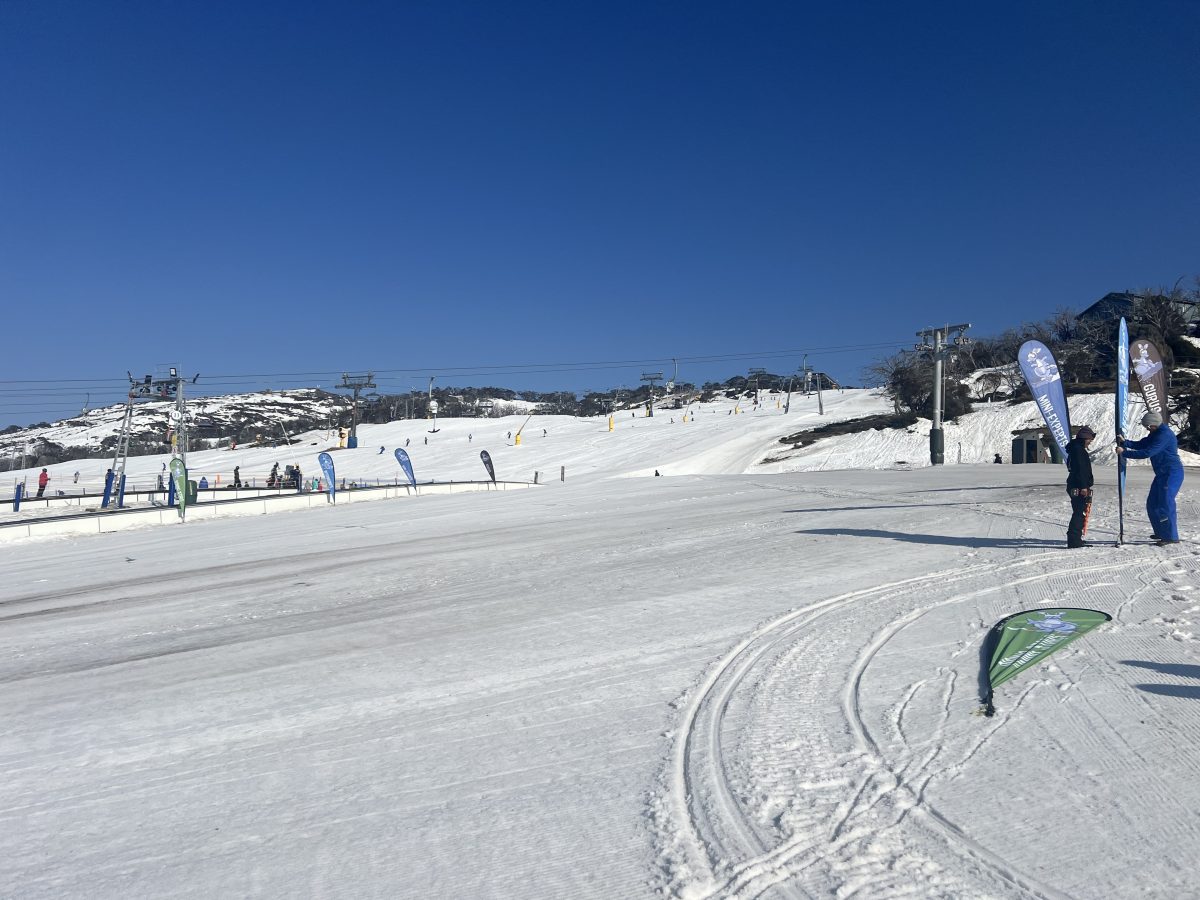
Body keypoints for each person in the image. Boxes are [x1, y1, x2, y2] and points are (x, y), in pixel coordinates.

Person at [1118, 411, 1185, 544]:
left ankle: (1171, 536)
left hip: (1172, 473)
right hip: (1161, 474)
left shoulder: (1164, 435)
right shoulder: (1155, 433)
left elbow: (1148, 452)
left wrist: (1125, 453)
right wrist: (1126, 443)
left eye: (1148, 426)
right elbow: (1143, 444)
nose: (1147, 428)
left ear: (1154, 424)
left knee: (1165, 502)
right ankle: (1161, 532)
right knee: (1152, 503)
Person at [1065, 426, 1095, 548]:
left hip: (1074, 484)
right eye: (1090, 439)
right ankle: (1074, 540)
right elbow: (1081, 470)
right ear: (1084, 438)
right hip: (1078, 486)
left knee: (1079, 511)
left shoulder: (1075, 449)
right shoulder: (1078, 450)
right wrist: (1083, 487)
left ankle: (1075, 538)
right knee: (1079, 512)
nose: (1090, 441)